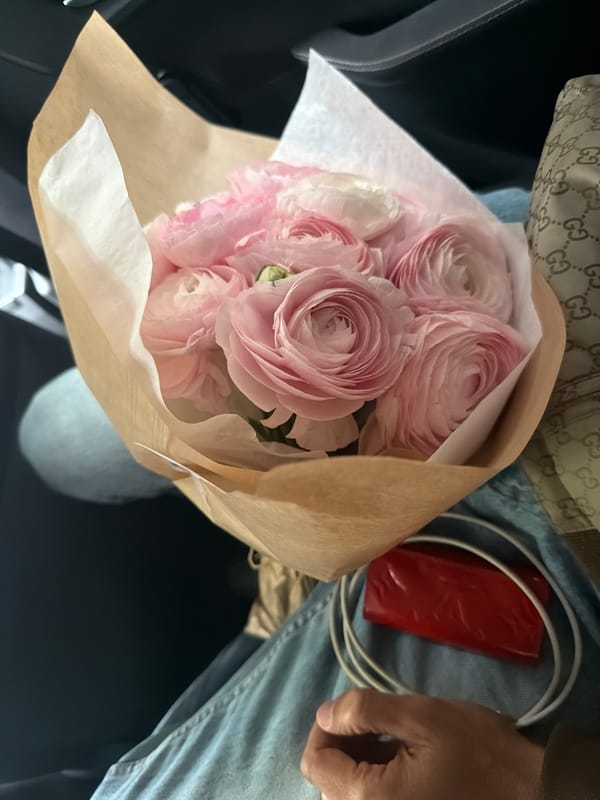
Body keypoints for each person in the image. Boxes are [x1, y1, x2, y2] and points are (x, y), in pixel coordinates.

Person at [18, 80, 600, 798]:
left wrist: (542, 779)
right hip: (560, 271)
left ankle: (294, 570)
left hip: (569, 552)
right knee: (52, 436)